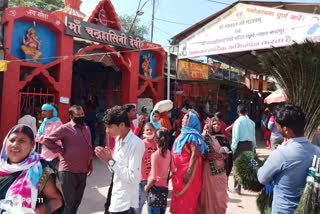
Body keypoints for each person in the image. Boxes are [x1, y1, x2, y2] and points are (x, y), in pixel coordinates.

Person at [258, 103, 320, 214]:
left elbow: (262, 178)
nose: (276, 128)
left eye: (278, 126)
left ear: (286, 129)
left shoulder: (281, 153)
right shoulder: (317, 151)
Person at [0, 124, 63, 213]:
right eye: (12, 140)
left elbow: (57, 200)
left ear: (32, 145)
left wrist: (35, 211)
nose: (15, 145)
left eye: (22, 141)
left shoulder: (40, 169)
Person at [42, 105, 93, 214]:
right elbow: (47, 140)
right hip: (68, 171)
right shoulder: (65, 128)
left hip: (83, 171)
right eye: (78, 114)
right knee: (67, 203)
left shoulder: (86, 128)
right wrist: (61, 150)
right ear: (71, 116)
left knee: (76, 202)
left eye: (82, 114)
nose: (81, 116)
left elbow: (89, 147)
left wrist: (90, 163)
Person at [95, 106, 145, 214]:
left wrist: (111, 161)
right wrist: (108, 160)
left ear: (122, 125)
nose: (107, 131)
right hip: (116, 194)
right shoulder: (118, 139)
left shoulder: (136, 143)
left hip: (125, 201)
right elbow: (115, 169)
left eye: (109, 127)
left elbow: (134, 177)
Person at [170, 112, 207, 214]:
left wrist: (188, 172)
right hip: (178, 172)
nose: (182, 120)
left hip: (189, 173)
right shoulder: (182, 133)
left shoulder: (193, 136)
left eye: (185, 118)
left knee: (188, 198)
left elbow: (194, 156)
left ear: (191, 121)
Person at [198, 117, 232, 214]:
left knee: (221, 195)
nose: (216, 126)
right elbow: (200, 153)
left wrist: (220, 155)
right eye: (214, 124)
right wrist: (207, 156)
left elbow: (229, 155)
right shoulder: (204, 137)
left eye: (218, 124)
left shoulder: (223, 138)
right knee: (208, 194)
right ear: (210, 125)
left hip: (221, 171)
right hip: (208, 172)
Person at [144, 129, 176, 214]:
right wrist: (165, 179)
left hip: (154, 189)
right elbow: (174, 171)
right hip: (164, 189)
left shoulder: (155, 155)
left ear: (156, 140)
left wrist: (146, 188)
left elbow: (154, 178)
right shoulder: (169, 153)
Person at [229, 104, 256, 195]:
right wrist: (254, 147)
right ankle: (246, 185)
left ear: (238, 111)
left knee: (237, 166)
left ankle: (237, 188)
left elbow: (235, 138)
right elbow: (254, 136)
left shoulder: (238, 122)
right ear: (246, 112)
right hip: (249, 146)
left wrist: (232, 148)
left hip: (240, 146)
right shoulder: (251, 122)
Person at [134, 123, 157, 214]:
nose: (149, 131)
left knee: (151, 203)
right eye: (147, 130)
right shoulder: (141, 143)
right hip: (143, 178)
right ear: (143, 132)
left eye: (151, 130)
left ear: (154, 131)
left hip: (153, 179)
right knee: (140, 202)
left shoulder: (157, 144)